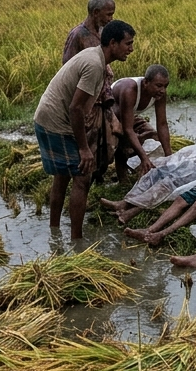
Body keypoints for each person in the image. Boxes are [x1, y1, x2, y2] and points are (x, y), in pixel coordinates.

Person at [33, 19, 136, 238]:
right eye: (127, 43)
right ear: (112, 43)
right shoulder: (95, 65)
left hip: (48, 118)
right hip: (56, 122)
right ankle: (77, 242)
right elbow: (76, 108)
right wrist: (83, 148)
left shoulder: (97, 59)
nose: (131, 49)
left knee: (62, 176)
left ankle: (55, 231)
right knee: (82, 178)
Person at [100, 145, 196, 225]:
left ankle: (127, 209)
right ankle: (125, 205)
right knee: (159, 175)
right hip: (195, 165)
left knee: (167, 186)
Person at [62, 0, 119, 179]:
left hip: (102, 98)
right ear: (95, 12)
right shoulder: (78, 35)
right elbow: (68, 69)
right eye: (108, 14)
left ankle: (98, 176)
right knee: (89, 144)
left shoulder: (103, 33)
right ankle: (85, 179)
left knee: (107, 145)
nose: (111, 18)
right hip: (86, 101)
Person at [112, 64, 173, 182]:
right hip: (109, 116)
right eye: (159, 86)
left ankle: (139, 170)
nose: (163, 90)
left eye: (165, 86)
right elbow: (128, 129)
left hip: (129, 115)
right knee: (123, 142)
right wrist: (144, 157)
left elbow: (162, 124)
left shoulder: (160, 94)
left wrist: (169, 156)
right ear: (145, 83)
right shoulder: (130, 90)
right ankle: (122, 179)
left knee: (153, 136)